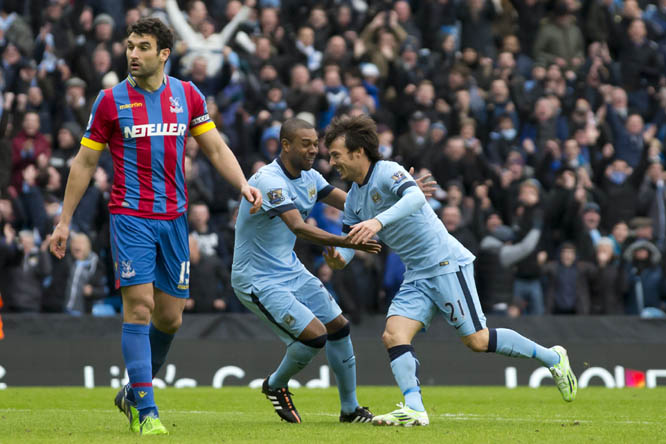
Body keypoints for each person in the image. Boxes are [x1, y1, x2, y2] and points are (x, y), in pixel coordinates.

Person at [48, 18, 262, 436]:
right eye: (129, 46)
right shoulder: (110, 101)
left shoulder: (187, 95)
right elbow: (85, 162)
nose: (132, 53)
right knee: (140, 307)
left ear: (164, 53)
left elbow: (215, 147)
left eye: (142, 46)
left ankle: (133, 391)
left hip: (174, 219)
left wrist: (242, 185)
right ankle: (147, 411)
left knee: (170, 318)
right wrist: (64, 220)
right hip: (130, 217)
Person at [323, 115, 577, 427]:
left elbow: (415, 196)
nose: (332, 161)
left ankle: (553, 357)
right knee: (393, 334)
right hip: (417, 273)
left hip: (445, 264)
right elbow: (351, 246)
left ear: (358, 152)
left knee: (478, 340)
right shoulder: (354, 200)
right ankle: (414, 408)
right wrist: (339, 259)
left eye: (336, 154)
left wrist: (377, 222)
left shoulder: (387, 170)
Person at [231, 117, 381, 424]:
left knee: (338, 327)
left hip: (289, 270)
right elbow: (299, 227)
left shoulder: (311, 177)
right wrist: (349, 240)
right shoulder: (268, 181)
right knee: (314, 337)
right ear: (285, 146)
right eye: (306, 144)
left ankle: (350, 410)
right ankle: (274, 384)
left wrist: (400, 194)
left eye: (316, 144)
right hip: (256, 278)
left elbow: (353, 202)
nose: (314, 150)